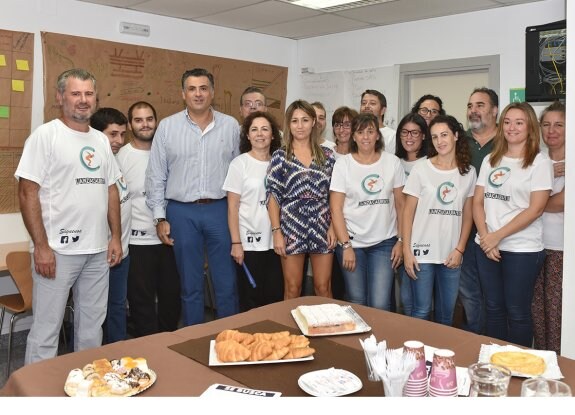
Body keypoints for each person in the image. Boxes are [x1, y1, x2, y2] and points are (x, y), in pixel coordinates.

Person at [16, 68, 122, 364]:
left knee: (91, 330)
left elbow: (111, 190)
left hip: (98, 252)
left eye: (88, 94)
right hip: (57, 253)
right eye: (76, 93)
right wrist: (41, 247)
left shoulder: (101, 140)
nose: (83, 100)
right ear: (60, 97)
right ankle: (35, 401)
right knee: (46, 332)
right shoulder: (45, 136)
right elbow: (27, 192)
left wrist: (115, 237)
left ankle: (87, 391)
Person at [146, 68, 240, 326]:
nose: (198, 94)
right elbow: (156, 175)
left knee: (225, 282)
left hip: (219, 210)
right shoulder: (167, 127)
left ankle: (230, 338)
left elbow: (238, 173)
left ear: (212, 92)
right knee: (190, 284)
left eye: (203, 88)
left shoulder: (231, 125)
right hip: (181, 212)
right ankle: (194, 341)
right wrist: (159, 218)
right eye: (192, 89)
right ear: (183, 94)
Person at [473, 102, 553, 347]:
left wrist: (497, 236)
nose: (511, 127)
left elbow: (536, 208)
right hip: (487, 246)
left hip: (522, 249)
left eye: (519, 122)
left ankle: (518, 370)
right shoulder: (490, 159)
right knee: (493, 308)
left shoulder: (539, 162)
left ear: (530, 127)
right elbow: (477, 203)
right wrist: (487, 238)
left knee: (517, 312)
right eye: (507, 121)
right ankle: (495, 366)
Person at [403, 115, 476, 326]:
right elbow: (408, 213)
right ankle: (416, 357)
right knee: (422, 311)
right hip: (421, 253)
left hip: (451, 254)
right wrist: (407, 250)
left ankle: (440, 358)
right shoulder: (421, 169)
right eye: (434, 137)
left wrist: (460, 249)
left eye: (444, 135)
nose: (439, 141)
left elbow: (468, 215)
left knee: (446, 314)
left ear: (455, 136)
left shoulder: (469, 172)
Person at [117, 101, 181, 337]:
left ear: (157, 121)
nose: (145, 124)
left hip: (169, 241)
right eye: (138, 120)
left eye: (149, 119)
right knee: (141, 302)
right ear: (130, 124)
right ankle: (146, 348)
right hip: (137, 242)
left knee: (171, 297)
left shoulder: (168, 152)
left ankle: (169, 347)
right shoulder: (122, 157)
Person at [330, 113, 405, 310]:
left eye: (370, 131)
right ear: (353, 136)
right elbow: (336, 208)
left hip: (385, 242)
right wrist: (345, 245)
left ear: (378, 136)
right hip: (351, 243)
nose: (365, 137)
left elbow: (400, 205)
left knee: (380, 303)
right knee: (357, 300)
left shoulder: (392, 162)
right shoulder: (343, 164)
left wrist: (401, 241)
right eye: (360, 132)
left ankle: (380, 341)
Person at [267, 100, 336, 299]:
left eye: (305, 120)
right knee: (292, 288)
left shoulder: (328, 156)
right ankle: (291, 331)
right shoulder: (280, 156)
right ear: (288, 124)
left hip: (322, 224)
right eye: (295, 121)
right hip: (291, 226)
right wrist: (276, 231)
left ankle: (327, 329)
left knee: (323, 287)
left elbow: (335, 195)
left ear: (314, 122)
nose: (300, 125)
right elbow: (272, 196)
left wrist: (334, 227)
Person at [223, 111, 284, 311]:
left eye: (265, 129)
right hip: (249, 244)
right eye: (254, 130)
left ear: (273, 135)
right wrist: (236, 243)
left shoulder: (280, 162)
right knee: (251, 300)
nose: (260, 134)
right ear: (247, 136)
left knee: (275, 297)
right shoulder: (239, 164)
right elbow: (232, 207)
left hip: (277, 243)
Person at [458, 87, 499, 334]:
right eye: (470, 105)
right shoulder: (458, 141)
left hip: (496, 233)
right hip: (463, 230)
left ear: (494, 110)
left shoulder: (508, 141)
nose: (473, 110)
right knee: (470, 297)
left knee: (495, 299)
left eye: (480, 105)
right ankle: (473, 344)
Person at [90, 107, 132, 343]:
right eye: (113, 134)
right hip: (100, 254)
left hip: (122, 252)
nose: (119, 141)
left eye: (122, 134)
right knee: (94, 313)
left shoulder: (115, 161)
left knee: (117, 307)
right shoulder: (91, 166)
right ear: (97, 134)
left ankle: (117, 355)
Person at [532, 101, 565, 355]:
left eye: (559, 125)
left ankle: (560, 367)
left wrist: (534, 205)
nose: (551, 130)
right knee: (535, 309)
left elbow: (564, 202)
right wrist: (551, 173)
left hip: (561, 248)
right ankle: (542, 363)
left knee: (557, 312)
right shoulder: (536, 160)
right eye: (546, 124)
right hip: (533, 245)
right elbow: (521, 199)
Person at [394, 112, 429, 316]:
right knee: (406, 297)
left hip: (424, 238)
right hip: (399, 235)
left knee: (421, 301)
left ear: (424, 136)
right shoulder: (393, 162)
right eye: (405, 132)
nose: (409, 137)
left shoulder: (431, 162)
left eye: (415, 133)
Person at [360, 89, 396, 155]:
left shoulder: (392, 136)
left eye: (372, 103)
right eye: (364, 103)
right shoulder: (355, 132)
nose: (367, 106)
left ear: (383, 110)